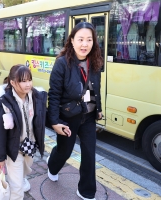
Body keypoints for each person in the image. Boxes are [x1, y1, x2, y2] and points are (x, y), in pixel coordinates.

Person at [46, 22, 103, 200]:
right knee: (65, 151)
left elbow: (95, 88)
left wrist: (98, 109)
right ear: (72, 41)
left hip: (88, 114)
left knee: (89, 153)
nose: (84, 44)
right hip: (68, 115)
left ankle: (86, 191)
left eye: (89, 40)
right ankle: (52, 165)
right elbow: (54, 95)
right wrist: (55, 122)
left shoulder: (94, 62)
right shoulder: (62, 63)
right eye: (80, 39)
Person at [0, 65, 47, 199]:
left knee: (24, 172)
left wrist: (58, 124)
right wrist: (0, 158)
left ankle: (19, 179)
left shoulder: (36, 97)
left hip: (30, 147)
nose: (28, 84)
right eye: (23, 81)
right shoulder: (3, 104)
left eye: (29, 80)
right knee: (17, 189)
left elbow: (44, 117)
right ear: (12, 82)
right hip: (13, 151)